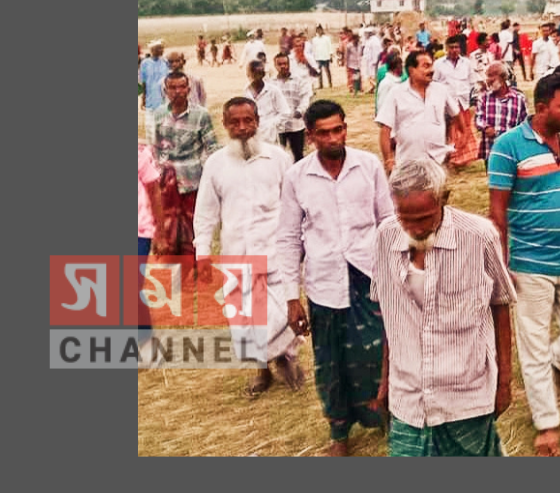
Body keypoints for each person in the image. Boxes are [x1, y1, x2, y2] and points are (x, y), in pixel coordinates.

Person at [371, 158, 516, 457]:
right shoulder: (386, 236)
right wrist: (385, 382)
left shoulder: (479, 236)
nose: (414, 228)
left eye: (424, 217)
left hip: (465, 395)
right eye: (404, 217)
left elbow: (501, 305)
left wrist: (504, 382)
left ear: (444, 199)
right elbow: (390, 314)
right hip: (408, 397)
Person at [279, 101, 396, 456]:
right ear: (310, 136)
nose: (333, 138)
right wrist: (291, 297)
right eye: (324, 133)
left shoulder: (368, 165)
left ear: (345, 128)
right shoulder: (297, 176)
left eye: (338, 129)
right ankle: (339, 434)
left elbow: (387, 221)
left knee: (379, 355)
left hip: (369, 277)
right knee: (330, 363)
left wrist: (397, 274)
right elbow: (287, 237)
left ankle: (388, 420)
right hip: (324, 283)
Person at [487, 75, 560, 457]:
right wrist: (501, 265)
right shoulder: (507, 146)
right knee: (532, 347)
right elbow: (496, 213)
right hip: (530, 262)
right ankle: (547, 424)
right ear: (542, 106)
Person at [193, 97, 304, 395]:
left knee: (282, 311)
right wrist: (202, 252)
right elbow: (205, 213)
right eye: (235, 122)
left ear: (257, 121)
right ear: (225, 125)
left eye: (248, 121)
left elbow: (295, 204)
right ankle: (261, 370)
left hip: (276, 250)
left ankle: (286, 360)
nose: (242, 128)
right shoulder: (215, 164)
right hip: (237, 253)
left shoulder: (278, 158)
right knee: (247, 318)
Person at [147, 72, 220, 267]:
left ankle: (195, 266)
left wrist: (210, 175)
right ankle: (173, 266)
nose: (178, 92)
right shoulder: (159, 114)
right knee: (169, 225)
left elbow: (212, 147)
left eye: (182, 87)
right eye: (173, 88)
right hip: (167, 182)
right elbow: (154, 147)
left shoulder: (200, 115)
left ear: (188, 89)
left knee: (192, 225)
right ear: (166, 91)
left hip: (193, 180)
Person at [376, 50, 463, 172]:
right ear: (411, 70)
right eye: (426, 66)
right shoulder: (396, 93)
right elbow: (385, 130)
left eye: (431, 65)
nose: (431, 70)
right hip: (407, 163)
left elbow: (457, 115)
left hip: (437, 162)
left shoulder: (441, 90)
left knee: (437, 191)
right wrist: (388, 160)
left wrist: (455, 144)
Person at [136, 139, 167, 359]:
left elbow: (154, 191)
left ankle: (144, 342)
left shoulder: (138, 153)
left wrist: (160, 233)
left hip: (140, 230)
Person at [433, 35, 481, 167]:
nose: (454, 50)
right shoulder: (438, 64)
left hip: (463, 102)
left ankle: (461, 159)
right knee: (448, 132)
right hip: (446, 104)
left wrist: (473, 100)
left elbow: (472, 83)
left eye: (457, 47)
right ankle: (448, 158)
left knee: (464, 130)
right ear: (446, 49)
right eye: (451, 47)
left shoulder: (466, 63)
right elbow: (434, 83)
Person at [475, 61, 529, 168]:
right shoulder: (484, 98)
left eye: (491, 76)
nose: (488, 80)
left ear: (503, 77)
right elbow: (478, 119)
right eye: (487, 76)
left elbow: (525, 123)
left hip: (512, 150)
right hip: (491, 149)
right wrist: (486, 128)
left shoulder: (519, 99)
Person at [268, 52, 313, 162]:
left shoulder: (299, 80)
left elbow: (305, 98)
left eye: (285, 63)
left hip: (296, 125)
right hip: (278, 127)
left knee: (298, 155)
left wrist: (300, 111)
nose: (283, 66)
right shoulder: (271, 83)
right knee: (278, 156)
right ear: (275, 65)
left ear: (289, 64)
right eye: (279, 64)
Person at [243, 59, 290, 145]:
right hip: (252, 135)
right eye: (252, 73)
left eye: (258, 74)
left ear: (263, 74)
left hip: (270, 137)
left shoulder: (273, 91)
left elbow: (285, 112)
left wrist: (271, 124)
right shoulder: (246, 92)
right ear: (247, 74)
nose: (254, 77)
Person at [139, 40, 170, 111]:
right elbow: (143, 82)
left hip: (164, 96)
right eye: (159, 48)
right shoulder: (145, 63)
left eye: (162, 48)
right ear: (152, 50)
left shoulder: (165, 62)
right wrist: (143, 99)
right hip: (150, 96)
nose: (162, 50)